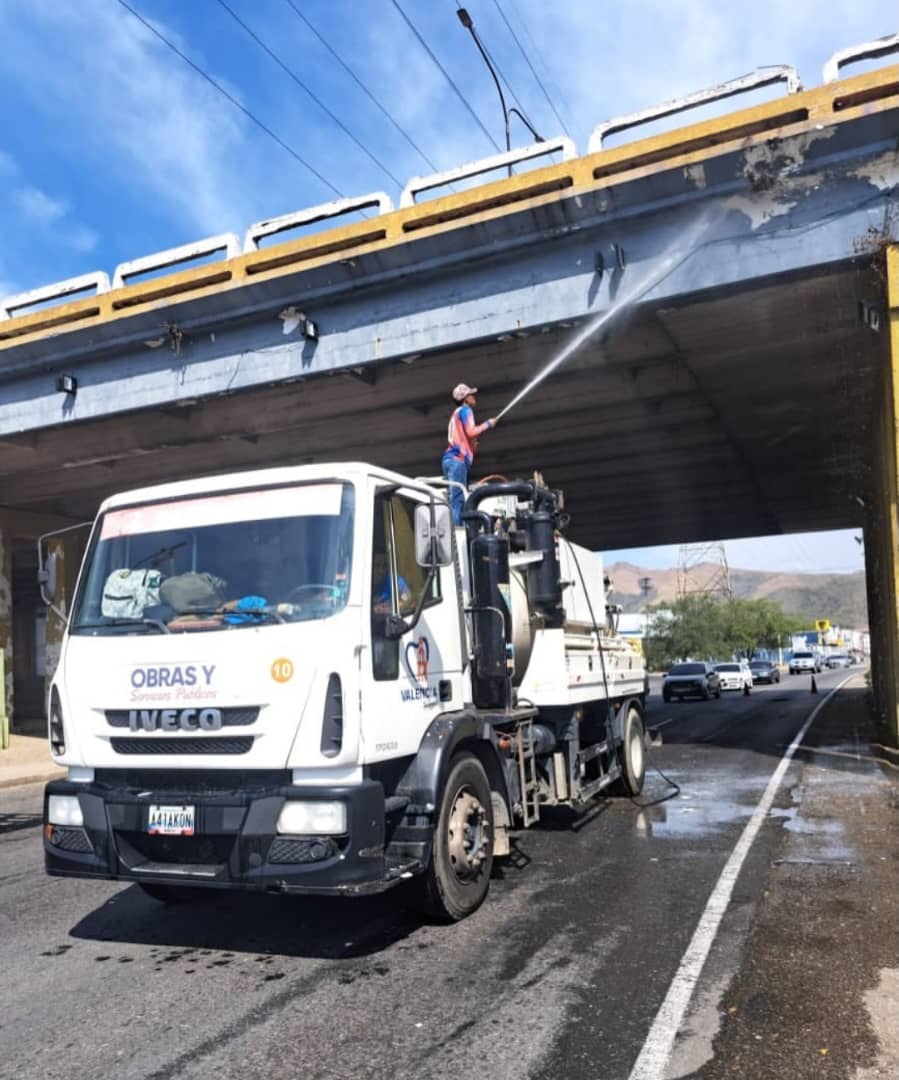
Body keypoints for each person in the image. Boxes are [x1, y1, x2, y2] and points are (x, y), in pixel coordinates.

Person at [441, 383, 498, 525]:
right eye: (470, 395)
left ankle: (458, 529)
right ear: (465, 399)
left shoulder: (456, 414)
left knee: (456, 498)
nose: (473, 396)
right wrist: (488, 424)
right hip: (457, 461)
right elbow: (471, 431)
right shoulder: (466, 411)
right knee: (458, 501)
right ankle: (458, 536)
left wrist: (471, 445)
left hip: (450, 461)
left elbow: (463, 437)